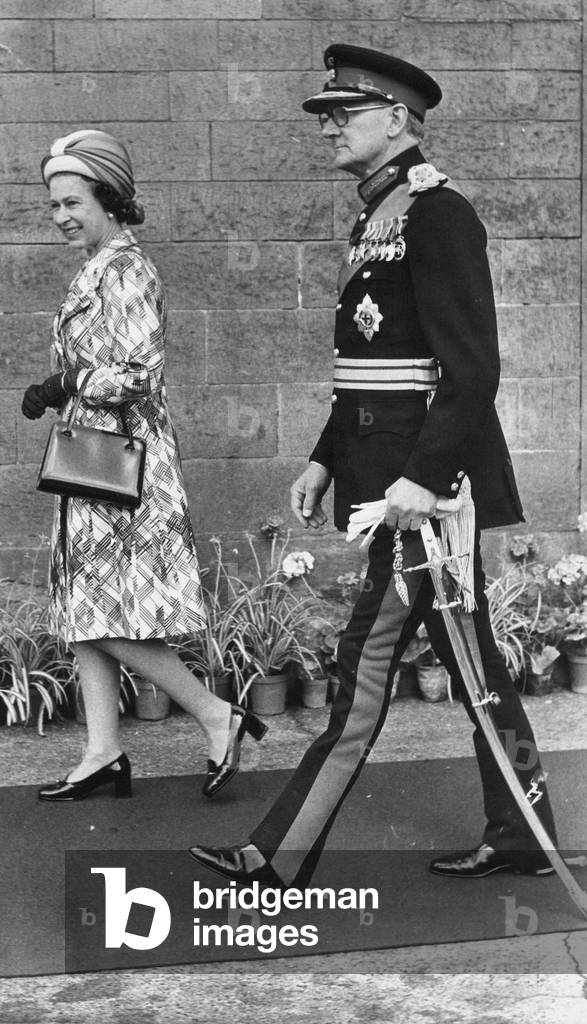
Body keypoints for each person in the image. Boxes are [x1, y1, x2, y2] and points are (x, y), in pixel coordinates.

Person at [190, 46, 557, 887]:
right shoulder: (382, 212)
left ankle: (273, 856)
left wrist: (421, 482)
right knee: (476, 668)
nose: (329, 128)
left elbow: (470, 373)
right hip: (390, 483)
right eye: (327, 115)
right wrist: (325, 459)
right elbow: (372, 368)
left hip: (422, 501)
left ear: (397, 120)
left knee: (361, 670)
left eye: (343, 114)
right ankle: (524, 838)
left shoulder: (438, 214)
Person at [22, 129, 266, 802]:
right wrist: (65, 384)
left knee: (96, 609)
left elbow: (133, 374)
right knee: (83, 604)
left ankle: (218, 714)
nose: (62, 216)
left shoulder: (126, 268)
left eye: (72, 201)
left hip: (121, 459)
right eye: (54, 206)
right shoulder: (99, 264)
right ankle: (102, 752)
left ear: (108, 196)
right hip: (92, 453)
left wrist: (65, 381)